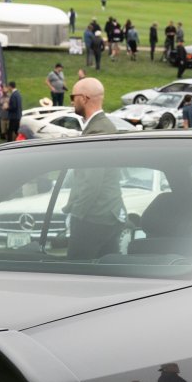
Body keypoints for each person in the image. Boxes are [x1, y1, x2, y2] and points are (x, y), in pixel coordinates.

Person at [66, 77, 125, 258]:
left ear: (84, 98)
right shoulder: (104, 127)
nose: (71, 101)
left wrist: (76, 214)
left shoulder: (96, 132)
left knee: (76, 274)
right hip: (107, 216)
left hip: (93, 218)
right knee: (106, 271)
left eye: (72, 96)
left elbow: (91, 182)